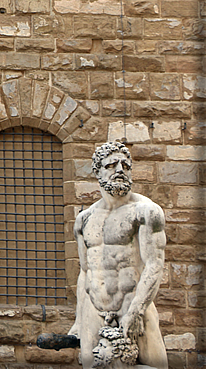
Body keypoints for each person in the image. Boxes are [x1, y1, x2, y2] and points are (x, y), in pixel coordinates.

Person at [69, 142, 167, 369]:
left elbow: (154, 265)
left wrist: (137, 311)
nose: (120, 170)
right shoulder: (84, 219)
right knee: (91, 365)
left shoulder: (145, 211)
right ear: (98, 171)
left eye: (125, 165)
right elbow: (85, 272)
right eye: (111, 165)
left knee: (156, 365)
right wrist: (78, 320)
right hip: (94, 309)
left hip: (131, 304)